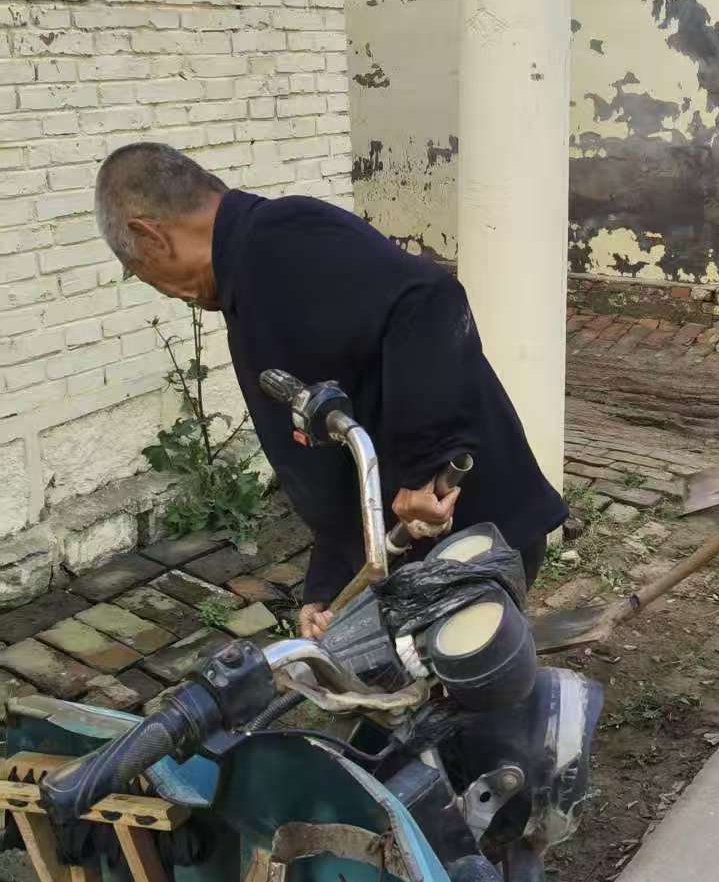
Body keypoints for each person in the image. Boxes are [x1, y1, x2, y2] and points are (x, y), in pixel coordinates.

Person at [94, 143, 567, 637]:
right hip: (411, 556)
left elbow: (431, 301)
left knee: (450, 681)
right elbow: (325, 447)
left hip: (468, 539)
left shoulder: (282, 238)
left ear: (149, 236)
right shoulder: (247, 285)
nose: (165, 292)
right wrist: (325, 584)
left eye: (141, 272)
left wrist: (424, 467)